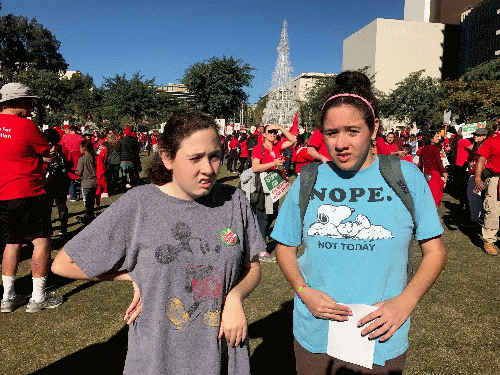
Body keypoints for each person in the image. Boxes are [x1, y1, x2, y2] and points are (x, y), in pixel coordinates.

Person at [51, 111, 263, 375]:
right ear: (167, 158)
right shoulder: (139, 204)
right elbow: (64, 263)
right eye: (195, 158)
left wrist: (234, 297)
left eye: (215, 156)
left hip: (223, 356)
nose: (208, 169)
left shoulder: (234, 200)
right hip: (158, 359)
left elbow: (252, 267)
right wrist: (134, 276)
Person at [271, 71, 446, 375]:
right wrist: (304, 291)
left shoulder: (406, 177)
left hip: (381, 337)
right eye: (331, 132)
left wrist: (405, 302)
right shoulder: (308, 179)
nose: (340, 143)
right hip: (316, 335)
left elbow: (436, 251)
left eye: (352, 131)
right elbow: (284, 248)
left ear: (373, 127)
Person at [0, 82, 63, 313]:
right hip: (30, 191)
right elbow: (47, 156)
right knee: (41, 241)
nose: (31, 106)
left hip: (3, 195)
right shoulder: (26, 126)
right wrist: (50, 154)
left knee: (11, 243)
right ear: (17, 103)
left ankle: (7, 297)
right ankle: (38, 298)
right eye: (28, 102)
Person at [252, 124, 297, 260]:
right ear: (264, 134)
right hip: (263, 187)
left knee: (273, 213)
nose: (273, 134)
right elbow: (255, 167)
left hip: (274, 186)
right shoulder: (258, 148)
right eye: (270, 132)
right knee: (263, 216)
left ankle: (258, 235)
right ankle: (260, 249)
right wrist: (273, 164)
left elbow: (293, 140)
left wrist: (280, 128)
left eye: (274, 132)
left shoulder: (277, 146)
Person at [473, 126, 500, 255]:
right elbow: (481, 159)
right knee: (493, 210)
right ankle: (489, 240)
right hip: (496, 179)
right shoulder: (491, 141)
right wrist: (477, 178)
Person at [43, 128, 70, 236]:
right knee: (62, 205)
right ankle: (63, 228)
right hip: (62, 178)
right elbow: (67, 162)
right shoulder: (60, 148)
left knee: (48, 207)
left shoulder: (47, 149)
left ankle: (48, 229)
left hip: (50, 179)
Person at [463, 128, 488, 227]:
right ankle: (475, 218)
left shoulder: (485, 146)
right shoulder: (476, 146)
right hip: (473, 173)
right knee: (473, 197)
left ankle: (477, 219)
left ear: (484, 136)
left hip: (481, 175)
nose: (475, 136)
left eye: (478, 135)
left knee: (477, 197)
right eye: (475, 134)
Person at [418, 131, 448, 207]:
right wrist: (445, 175)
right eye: (437, 136)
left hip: (426, 174)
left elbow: (420, 163)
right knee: (435, 197)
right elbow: (439, 163)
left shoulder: (423, 149)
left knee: (428, 197)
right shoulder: (435, 149)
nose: (439, 138)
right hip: (434, 174)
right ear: (431, 138)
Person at [75, 139, 98, 225]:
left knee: (87, 203)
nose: (79, 149)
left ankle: (88, 218)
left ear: (84, 148)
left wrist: (73, 171)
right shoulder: (93, 157)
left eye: (80, 147)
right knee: (91, 202)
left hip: (86, 183)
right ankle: (90, 216)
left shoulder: (82, 159)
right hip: (94, 182)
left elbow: (79, 172)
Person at [61, 125, 84, 201]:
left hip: (69, 158)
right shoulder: (80, 137)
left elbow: (63, 147)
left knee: (70, 178)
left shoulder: (65, 137)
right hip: (78, 157)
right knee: (81, 175)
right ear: (76, 130)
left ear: (70, 130)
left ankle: (72, 196)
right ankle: (83, 192)